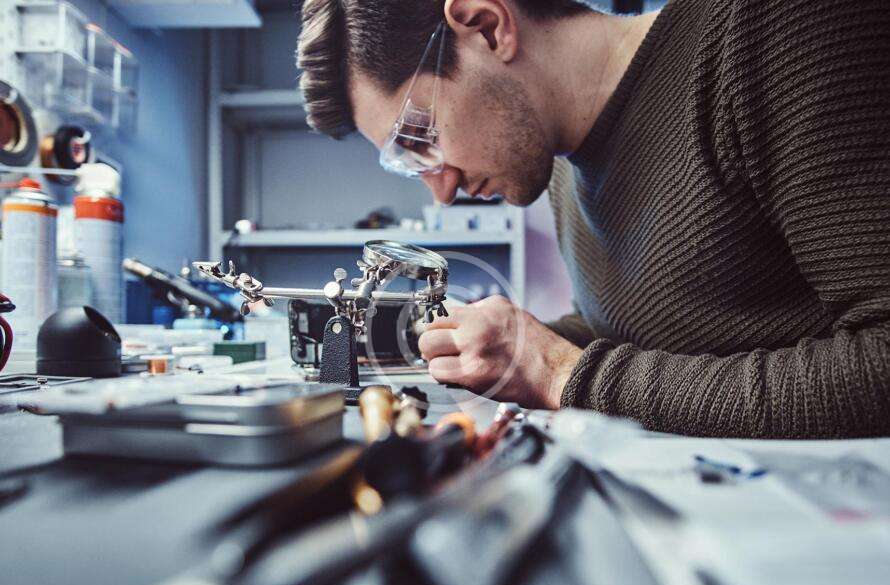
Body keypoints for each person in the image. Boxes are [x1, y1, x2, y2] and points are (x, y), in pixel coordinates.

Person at [296, 0, 890, 438]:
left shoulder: (772, 32)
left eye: (419, 138)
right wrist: (502, 347)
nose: (442, 192)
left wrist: (561, 372)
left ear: (488, 25)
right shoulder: (560, 167)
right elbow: (636, 332)